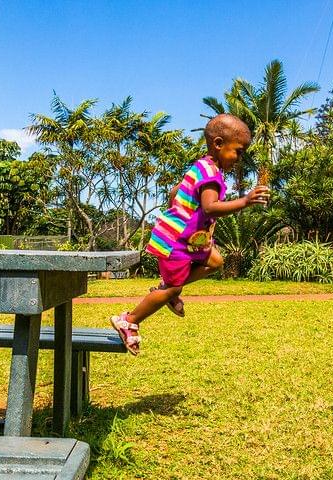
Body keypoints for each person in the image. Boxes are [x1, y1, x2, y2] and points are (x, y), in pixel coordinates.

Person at [110, 114, 270, 355]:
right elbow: (210, 207)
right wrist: (246, 201)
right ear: (218, 144)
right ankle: (129, 320)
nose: (239, 158)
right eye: (237, 151)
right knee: (172, 290)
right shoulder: (212, 176)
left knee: (216, 261)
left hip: (188, 241)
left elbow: (176, 191)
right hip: (177, 242)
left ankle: (166, 288)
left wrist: (182, 207)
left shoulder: (202, 166)